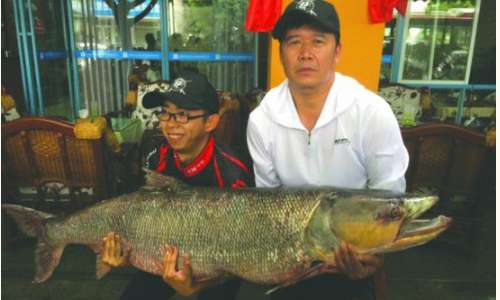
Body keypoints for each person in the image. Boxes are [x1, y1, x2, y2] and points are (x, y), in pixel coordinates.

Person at [246, 1, 409, 299]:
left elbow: (389, 200)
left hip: (351, 256)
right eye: (294, 42)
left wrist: (373, 258)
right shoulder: (261, 119)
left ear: (337, 52)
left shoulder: (371, 112)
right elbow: (266, 204)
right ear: (282, 53)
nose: (305, 53)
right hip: (290, 258)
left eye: (318, 42)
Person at [102, 71, 251, 300]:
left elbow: (238, 256)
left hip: (216, 266)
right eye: (165, 114)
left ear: (210, 122)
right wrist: (124, 254)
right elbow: (139, 215)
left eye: (182, 115)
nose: (170, 125)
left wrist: (195, 287)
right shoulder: (155, 156)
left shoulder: (233, 174)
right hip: (163, 253)